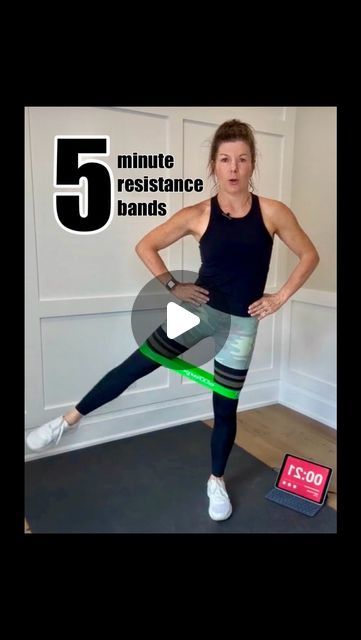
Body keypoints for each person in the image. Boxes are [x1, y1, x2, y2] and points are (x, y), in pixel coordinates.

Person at [26, 119, 319, 522]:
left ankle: (216, 480)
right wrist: (171, 285)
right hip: (200, 313)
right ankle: (66, 422)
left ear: (253, 165)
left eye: (242, 159)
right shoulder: (198, 214)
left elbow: (309, 255)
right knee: (136, 365)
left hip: (241, 327)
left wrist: (279, 297)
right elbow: (146, 244)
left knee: (225, 408)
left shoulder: (273, 212)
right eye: (224, 159)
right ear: (214, 166)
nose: (233, 168)